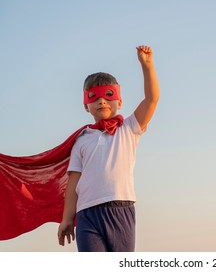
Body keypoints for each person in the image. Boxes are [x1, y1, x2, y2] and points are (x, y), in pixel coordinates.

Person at [57, 45, 159, 252]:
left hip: (121, 209)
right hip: (86, 214)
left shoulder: (129, 128)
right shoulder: (81, 140)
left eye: (108, 95)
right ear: (86, 106)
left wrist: (147, 65)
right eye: (93, 97)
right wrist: (67, 218)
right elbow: (73, 183)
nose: (101, 101)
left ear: (119, 102)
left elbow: (151, 99)